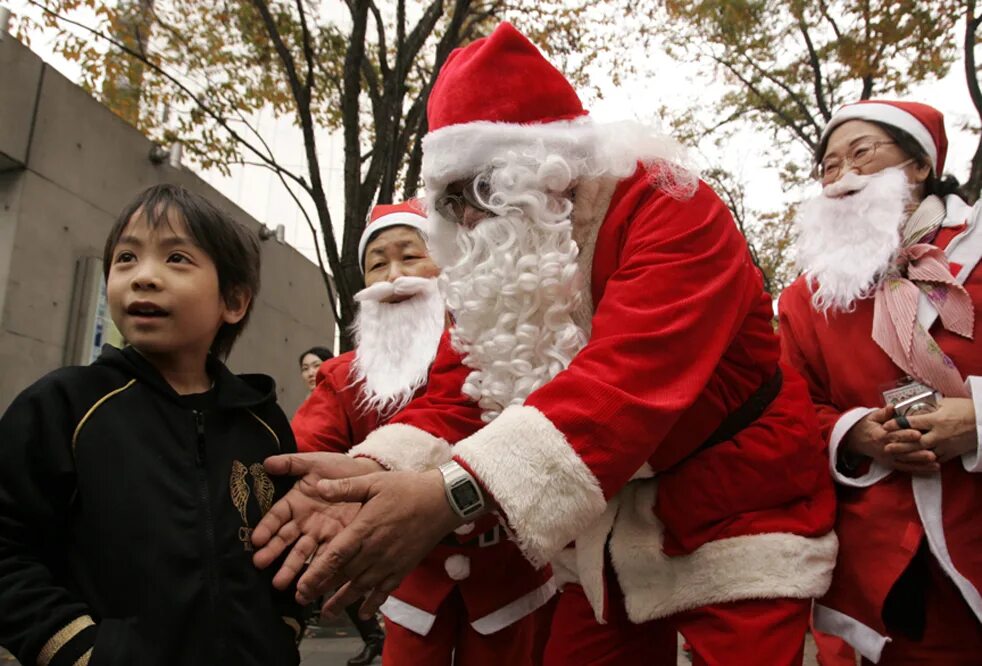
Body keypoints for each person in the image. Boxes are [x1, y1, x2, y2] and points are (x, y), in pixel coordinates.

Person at [254, 23, 837, 666]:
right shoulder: (501, 261)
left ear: (544, 163)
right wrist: (369, 473)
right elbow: (459, 389)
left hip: (737, 504)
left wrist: (449, 495)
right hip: (608, 528)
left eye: (478, 190)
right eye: (449, 202)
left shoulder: (671, 205)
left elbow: (626, 386)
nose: (468, 220)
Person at [0, 185, 305, 665]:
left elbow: (293, 543)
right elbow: (8, 553)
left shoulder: (262, 424)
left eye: (176, 258)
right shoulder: (63, 407)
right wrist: (80, 651)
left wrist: (283, 628)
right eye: (125, 258)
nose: (143, 277)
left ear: (234, 301)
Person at [288, 200, 555, 666]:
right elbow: (304, 448)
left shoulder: (498, 351)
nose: (394, 276)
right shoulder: (342, 378)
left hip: (506, 573)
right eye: (378, 264)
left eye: (411, 257)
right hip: (408, 576)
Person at [779, 100, 982, 664]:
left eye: (862, 154)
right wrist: (856, 432)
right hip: (884, 574)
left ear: (918, 166)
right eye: (828, 166)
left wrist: (977, 422)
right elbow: (792, 407)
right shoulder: (807, 298)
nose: (842, 176)